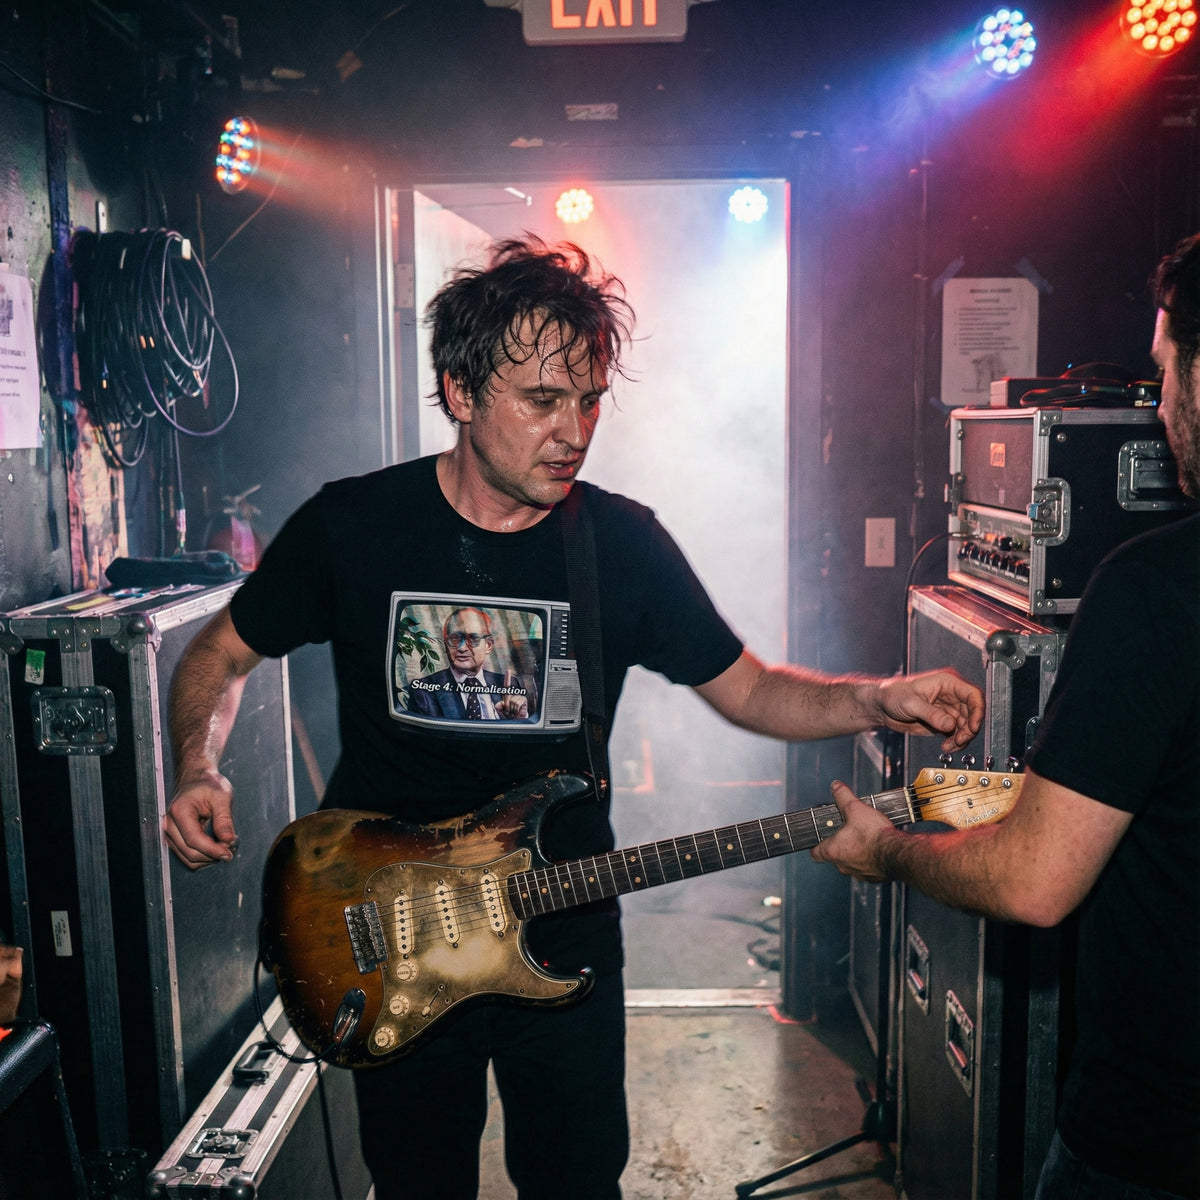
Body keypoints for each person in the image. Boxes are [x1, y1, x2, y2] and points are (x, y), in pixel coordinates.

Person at [163, 235, 984, 1200]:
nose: (575, 431)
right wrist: (195, 765)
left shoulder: (621, 546)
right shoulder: (355, 525)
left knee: (577, 1182)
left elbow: (751, 687)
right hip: (384, 930)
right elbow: (219, 654)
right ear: (461, 393)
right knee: (417, 1184)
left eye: (589, 400)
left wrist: (873, 699)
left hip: (562, 932)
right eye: (542, 401)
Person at [811, 234, 1200, 1200]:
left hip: (1159, 1137)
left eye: (1163, 377)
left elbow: (1035, 881)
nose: (1158, 410)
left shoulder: (1156, 590)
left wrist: (886, 850)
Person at [406, 606, 532, 720]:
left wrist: (517, 719)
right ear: (446, 644)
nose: (461, 648)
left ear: (488, 645)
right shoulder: (423, 691)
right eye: (455, 638)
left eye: (473, 639)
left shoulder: (508, 684)